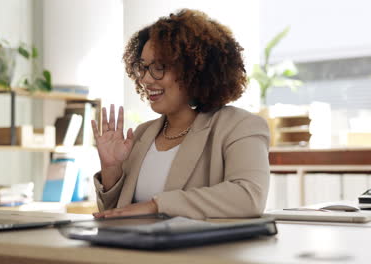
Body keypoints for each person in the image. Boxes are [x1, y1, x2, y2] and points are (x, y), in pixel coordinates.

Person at [91, 9, 270, 220]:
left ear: (193, 70)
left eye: (159, 67)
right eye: (143, 67)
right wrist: (111, 170)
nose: (146, 79)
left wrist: (157, 205)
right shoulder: (142, 134)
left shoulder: (240, 126)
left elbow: (249, 197)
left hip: (201, 252)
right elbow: (115, 215)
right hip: (135, 250)